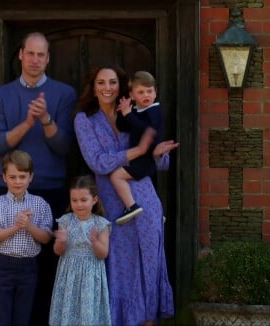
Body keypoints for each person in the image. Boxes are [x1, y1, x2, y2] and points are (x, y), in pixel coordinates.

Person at [73, 65, 179, 326]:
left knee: (149, 267)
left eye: (112, 82)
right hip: (114, 207)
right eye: (101, 82)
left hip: (146, 200)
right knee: (119, 270)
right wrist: (137, 151)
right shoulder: (85, 119)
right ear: (93, 86)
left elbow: (161, 164)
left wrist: (155, 152)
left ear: (121, 87)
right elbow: (97, 162)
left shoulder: (138, 112)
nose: (107, 87)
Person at [0, 32, 77, 325]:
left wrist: (46, 120)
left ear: (48, 58)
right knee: (6, 265)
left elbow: (64, 146)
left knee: (47, 267)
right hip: (8, 190)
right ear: (21, 55)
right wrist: (26, 123)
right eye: (31, 53)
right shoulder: (0, 95)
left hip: (49, 189)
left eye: (42, 55)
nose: (36, 59)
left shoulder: (64, 94)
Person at [0, 150, 53, 326]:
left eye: (22, 176)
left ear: (31, 177)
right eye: (12, 177)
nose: (18, 181)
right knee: (1, 316)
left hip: (28, 267)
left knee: (23, 317)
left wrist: (28, 226)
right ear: (4, 177)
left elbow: (46, 237)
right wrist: (16, 227)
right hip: (3, 265)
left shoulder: (40, 203)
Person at [49, 175, 112, 326]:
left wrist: (95, 241)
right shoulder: (65, 220)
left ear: (94, 200)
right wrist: (61, 240)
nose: (79, 204)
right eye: (74, 200)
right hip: (69, 274)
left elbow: (103, 253)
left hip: (91, 275)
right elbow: (58, 251)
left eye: (83, 200)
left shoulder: (101, 224)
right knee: (67, 312)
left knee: (87, 315)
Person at [112, 70, 165, 224]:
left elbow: (146, 130)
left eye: (149, 91)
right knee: (144, 188)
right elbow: (123, 127)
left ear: (155, 92)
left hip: (146, 159)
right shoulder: (137, 110)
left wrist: (129, 115)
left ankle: (131, 206)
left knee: (116, 176)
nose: (146, 95)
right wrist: (123, 112)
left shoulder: (154, 111)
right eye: (140, 92)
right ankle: (156, 212)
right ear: (132, 95)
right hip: (138, 159)